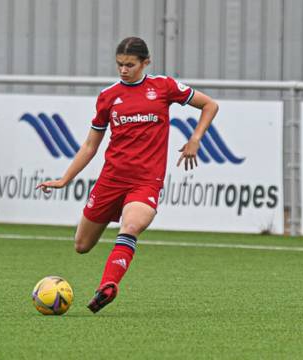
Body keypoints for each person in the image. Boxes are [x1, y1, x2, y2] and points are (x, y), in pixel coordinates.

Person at [36, 37, 219, 313]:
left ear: (145, 63)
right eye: (120, 64)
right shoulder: (108, 96)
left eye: (130, 65)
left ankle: (108, 286)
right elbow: (90, 146)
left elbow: (210, 105)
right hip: (111, 179)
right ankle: (107, 276)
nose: (123, 70)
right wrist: (65, 179)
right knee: (82, 245)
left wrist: (195, 139)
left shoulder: (163, 87)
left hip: (146, 181)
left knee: (130, 227)